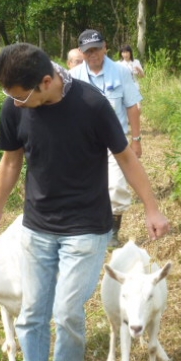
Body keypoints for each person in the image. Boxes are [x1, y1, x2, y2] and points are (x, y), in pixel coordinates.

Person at [0, 43, 169, 361]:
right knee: (32, 311)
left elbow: (126, 158)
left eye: (22, 97)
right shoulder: (14, 106)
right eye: (11, 97)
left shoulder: (91, 105)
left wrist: (152, 206)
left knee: (66, 311)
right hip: (37, 226)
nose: (15, 104)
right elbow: (10, 161)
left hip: (86, 227)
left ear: (47, 82)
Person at [70, 29, 143, 247]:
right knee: (85, 186)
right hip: (83, 142)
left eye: (97, 49)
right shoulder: (72, 77)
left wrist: (136, 139)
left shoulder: (121, 72)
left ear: (105, 47)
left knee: (116, 185)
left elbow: (132, 106)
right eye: (88, 51)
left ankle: (113, 229)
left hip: (115, 140)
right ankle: (86, 227)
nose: (93, 54)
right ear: (82, 53)